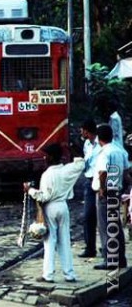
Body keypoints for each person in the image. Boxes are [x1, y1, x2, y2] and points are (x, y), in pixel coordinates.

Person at [23, 144, 84, 283]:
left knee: (50, 241)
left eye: (46, 155)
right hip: (63, 206)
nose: (44, 158)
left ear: (50, 157)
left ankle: (48, 275)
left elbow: (43, 197)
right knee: (65, 241)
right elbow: (80, 163)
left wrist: (30, 190)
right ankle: (69, 274)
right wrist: (72, 148)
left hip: (50, 208)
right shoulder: (68, 170)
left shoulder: (47, 174)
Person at [93, 124, 128, 270]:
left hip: (106, 191)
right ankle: (120, 258)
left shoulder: (104, 153)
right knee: (116, 225)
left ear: (99, 138)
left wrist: (102, 188)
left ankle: (110, 259)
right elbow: (127, 171)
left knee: (105, 226)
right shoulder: (120, 151)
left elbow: (102, 172)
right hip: (117, 188)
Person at [78, 119, 100, 258]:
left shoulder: (101, 143)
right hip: (89, 180)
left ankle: (108, 247)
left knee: (104, 217)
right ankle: (90, 247)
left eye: (82, 130)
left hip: (101, 180)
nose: (81, 132)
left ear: (87, 131)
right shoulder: (86, 144)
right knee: (88, 216)